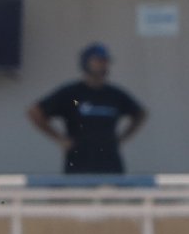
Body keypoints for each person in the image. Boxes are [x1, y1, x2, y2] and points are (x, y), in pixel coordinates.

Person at [28, 43, 148, 174]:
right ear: (86, 62)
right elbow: (35, 112)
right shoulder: (72, 93)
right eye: (98, 60)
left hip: (110, 165)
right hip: (79, 165)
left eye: (105, 61)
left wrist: (122, 138)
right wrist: (59, 139)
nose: (102, 64)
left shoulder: (115, 94)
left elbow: (140, 113)